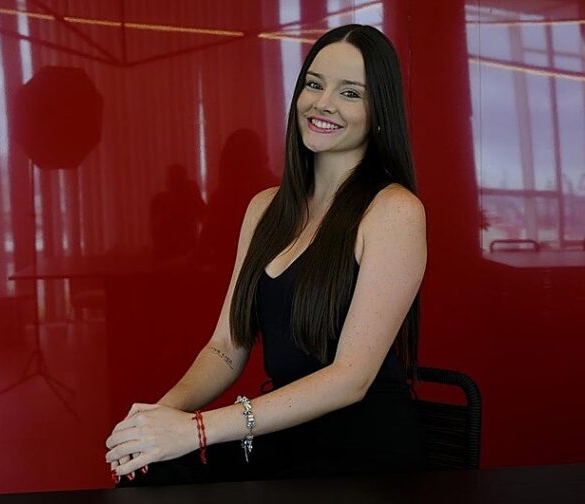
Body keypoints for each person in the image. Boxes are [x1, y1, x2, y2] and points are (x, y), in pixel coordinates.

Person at [106, 24, 427, 486]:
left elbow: (350, 378)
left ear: (379, 111)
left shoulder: (394, 210)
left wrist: (196, 430)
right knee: (150, 472)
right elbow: (225, 347)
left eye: (350, 93)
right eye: (314, 84)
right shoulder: (264, 209)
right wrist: (157, 421)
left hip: (360, 449)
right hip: (278, 437)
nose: (323, 103)